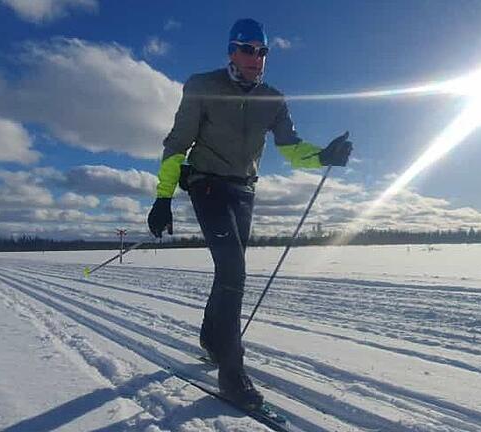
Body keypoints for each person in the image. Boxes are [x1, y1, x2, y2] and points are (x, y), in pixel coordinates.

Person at [147, 18, 352, 410]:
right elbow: (177, 144)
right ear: (231, 51)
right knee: (234, 272)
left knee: (229, 271)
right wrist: (163, 198)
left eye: (261, 51)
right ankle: (231, 370)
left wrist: (324, 155)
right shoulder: (203, 86)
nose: (255, 58)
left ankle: (211, 338)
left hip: (244, 192)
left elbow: (290, 147)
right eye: (246, 49)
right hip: (207, 185)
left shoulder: (273, 99)